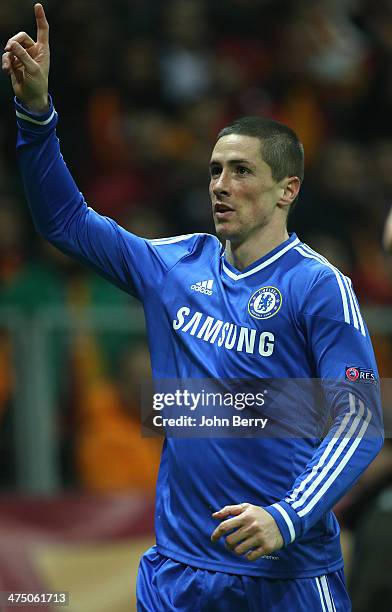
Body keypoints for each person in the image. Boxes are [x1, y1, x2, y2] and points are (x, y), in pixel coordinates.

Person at [2, 5, 384, 611]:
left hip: (283, 574)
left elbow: (357, 419)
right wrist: (36, 114)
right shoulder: (173, 264)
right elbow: (64, 221)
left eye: (240, 171)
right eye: (214, 171)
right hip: (177, 571)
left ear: (288, 189)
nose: (220, 185)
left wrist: (287, 517)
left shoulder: (317, 286)